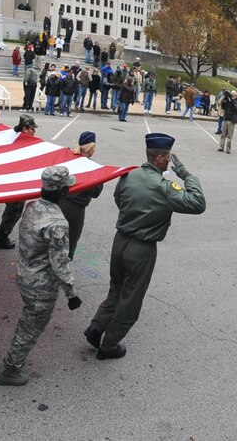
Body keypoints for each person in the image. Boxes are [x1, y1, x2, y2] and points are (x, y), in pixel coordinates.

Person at [86, 134, 206, 360]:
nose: (170, 161)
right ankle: (109, 345)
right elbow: (198, 204)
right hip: (141, 248)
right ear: (160, 158)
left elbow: (118, 199)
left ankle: (96, 328)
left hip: (120, 240)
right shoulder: (164, 186)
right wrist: (187, 175)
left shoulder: (129, 174)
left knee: (116, 289)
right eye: (169, 157)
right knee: (130, 299)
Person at [0, 166, 82, 386]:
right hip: (41, 286)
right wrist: (72, 293)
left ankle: (14, 361)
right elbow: (60, 262)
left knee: (29, 320)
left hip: (25, 273)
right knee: (31, 326)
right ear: (63, 191)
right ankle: (11, 368)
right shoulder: (58, 223)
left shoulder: (32, 206)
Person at [0, 115, 39, 249]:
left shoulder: (13, 136)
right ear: (25, 129)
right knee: (14, 210)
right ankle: (2, 236)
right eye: (32, 129)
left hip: (12, 180)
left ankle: (2, 233)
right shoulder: (19, 140)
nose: (34, 132)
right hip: (14, 182)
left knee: (12, 210)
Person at [58, 132, 104, 259]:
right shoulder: (91, 167)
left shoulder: (68, 158)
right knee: (70, 241)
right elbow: (96, 193)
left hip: (58, 203)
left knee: (54, 239)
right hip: (75, 209)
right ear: (91, 148)